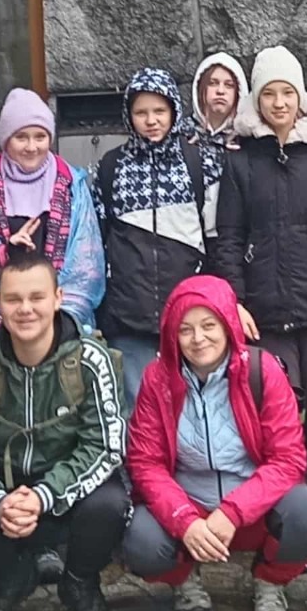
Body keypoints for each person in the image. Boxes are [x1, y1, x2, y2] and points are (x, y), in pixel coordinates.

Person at [212, 46, 307, 568]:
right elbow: (229, 238)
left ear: (300, 97)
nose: (279, 103)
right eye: (269, 94)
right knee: (275, 422)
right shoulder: (240, 160)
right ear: (256, 99)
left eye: (288, 93)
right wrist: (235, 302)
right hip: (265, 312)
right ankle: (282, 519)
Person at [0, 250, 130, 611]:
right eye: (13, 299)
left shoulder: (92, 361)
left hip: (63, 495)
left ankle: (80, 583)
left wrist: (43, 495)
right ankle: (9, 579)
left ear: (58, 299)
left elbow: (106, 447)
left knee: (110, 502)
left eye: (37, 297)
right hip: (0, 498)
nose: (25, 309)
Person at [120, 275, 307, 611]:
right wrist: (185, 520)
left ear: (229, 324)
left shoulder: (263, 371)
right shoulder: (157, 379)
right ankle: (184, 581)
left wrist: (233, 512)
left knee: (306, 510)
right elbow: (145, 462)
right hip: (189, 503)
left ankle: (270, 583)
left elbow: (288, 459)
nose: (198, 338)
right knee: (141, 540)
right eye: (185, 329)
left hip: (253, 507)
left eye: (209, 325)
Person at [91, 68, 223, 404]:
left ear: (174, 111)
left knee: (194, 403)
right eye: (141, 112)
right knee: (139, 406)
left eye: (160, 111)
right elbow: (99, 240)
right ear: (128, 115)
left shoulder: (200, 162)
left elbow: (216, 239)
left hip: (189, 312)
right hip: (128, 315)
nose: (151, 120)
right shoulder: (111, 166)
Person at [0, 88, 105, 350]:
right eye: (21, 137)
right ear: (6, 140)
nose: (31, 147)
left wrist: (57, 322)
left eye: (40, 137)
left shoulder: (72, 187)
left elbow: (88, 267)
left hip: (60, 335)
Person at [192, 52, 248, 155]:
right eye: (213, 83)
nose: (220, 91)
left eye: (229, 85)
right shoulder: (182, 135)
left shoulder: (248, 140)